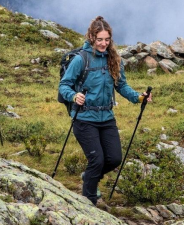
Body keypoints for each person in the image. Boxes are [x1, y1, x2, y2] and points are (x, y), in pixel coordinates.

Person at [58, 16, 152, 205]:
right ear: (91, 37)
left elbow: (121, 86)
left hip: (106, 117)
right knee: (97, 161)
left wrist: (138, 97)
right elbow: (64, 86)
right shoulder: (80, 60)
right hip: (84, 117)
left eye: (107, 40)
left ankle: (89, 177)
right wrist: (74, 96)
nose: (103, 44)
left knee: (114, 158)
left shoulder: (114, 59)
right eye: (99, 39)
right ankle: (90, 200)